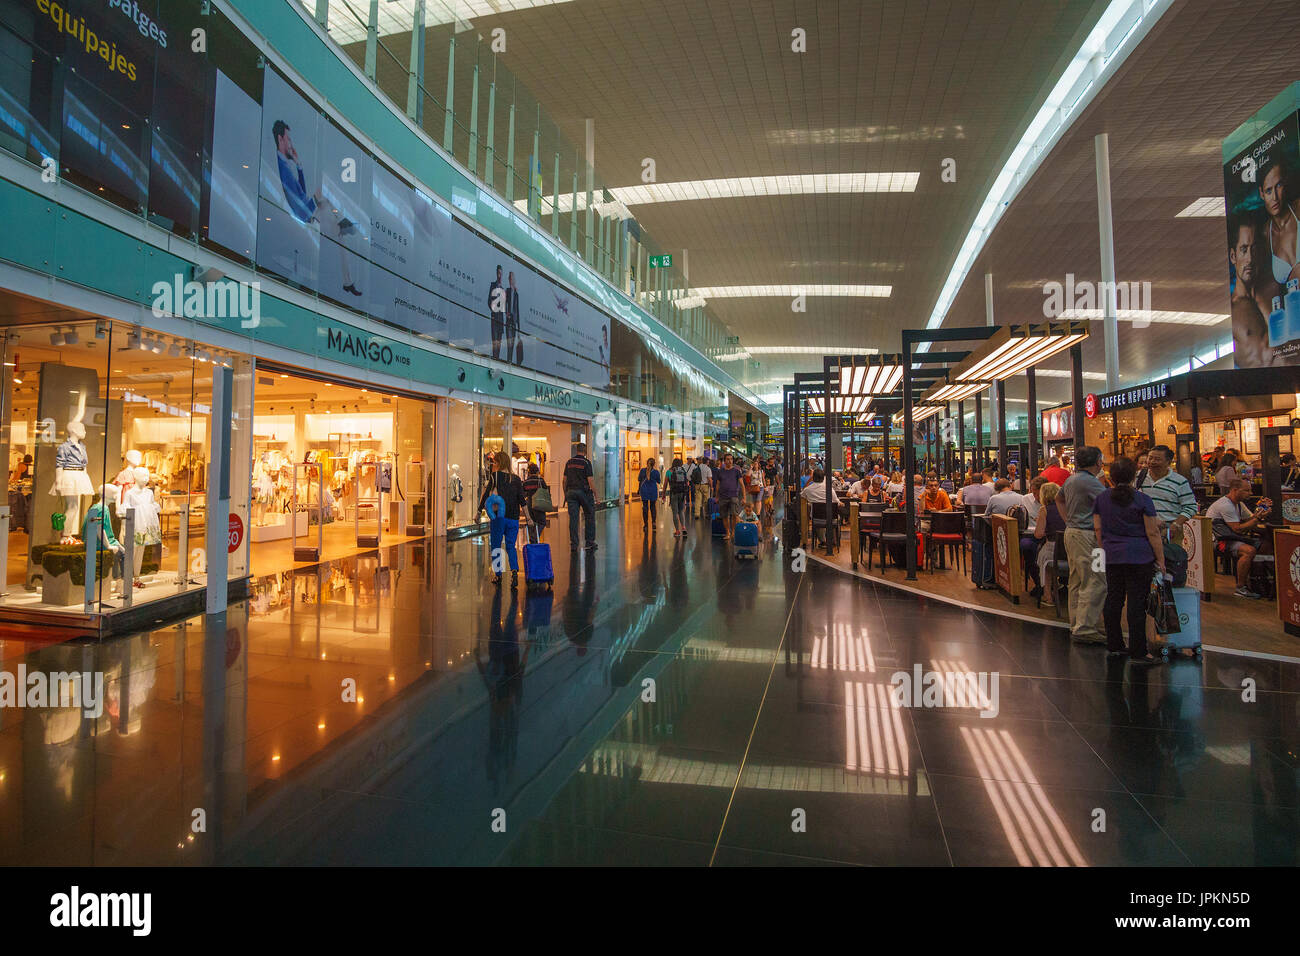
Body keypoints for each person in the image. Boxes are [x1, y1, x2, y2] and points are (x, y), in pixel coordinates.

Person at [271, 118, 361, 297]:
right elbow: (300, 208)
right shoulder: (282, 168)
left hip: (310, 210)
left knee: (328, 205)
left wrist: (300, 166)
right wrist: (315, 198)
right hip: (307, 216)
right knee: (326, 203)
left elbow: (301, 193)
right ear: (280, 139)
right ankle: (347, 281)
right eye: (288, 139)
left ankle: (347, 280)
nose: (291, 144)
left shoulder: (286, 164)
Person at [1092, 456, 1165, 664]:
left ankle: (1114, 644)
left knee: (1113, 599)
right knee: (1136, 602)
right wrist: (1160, 559)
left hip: (1112, 555)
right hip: (1139, 555)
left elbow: (1098, 528)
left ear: (1110, 477)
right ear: (1134, 476)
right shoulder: (1143, 500)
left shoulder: (1102, 499)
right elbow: (1152, 533)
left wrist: (1104, 547)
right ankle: (1139, 651)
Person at [1058, 445, 1108, 645]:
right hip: (1090, 536)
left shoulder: (1071, 479)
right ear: (1098, 461)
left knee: (1077, 580)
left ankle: (1077, 622)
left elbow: (1058, 498)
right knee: (1097, 579)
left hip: (1073, 534)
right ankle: (1086, 627)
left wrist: (1067, 520)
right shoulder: (1091, 483)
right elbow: (1110, 503)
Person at [1207, 478, 1271, 599]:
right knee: (1248, 551)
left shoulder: (1238, 504)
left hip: (1229, 538)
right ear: (1235, 490)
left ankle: (1259, 582)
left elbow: (1251, 520)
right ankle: (1241, 588)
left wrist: (1261, 512)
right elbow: (1238, 529)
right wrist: (1257, 519)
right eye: (1246, 490)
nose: (1250, 493)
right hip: (1216, 542)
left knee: (1265, 546)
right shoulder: (1225, 505)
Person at [478, 451, 524, 588]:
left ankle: (498, 575)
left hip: (499, 518)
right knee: (511, 546)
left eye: (494, 463)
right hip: (513, 519)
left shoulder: (495, 476)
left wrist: (478, 511)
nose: (493, 465)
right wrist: (528, 518)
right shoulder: (516, 479)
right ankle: (514, 571)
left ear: (498, 463)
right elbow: (522, 500)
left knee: (497, 546)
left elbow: (486, 495)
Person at [1138, 444, 1196, 544]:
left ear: (1168, 462)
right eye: (1150, 458)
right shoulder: (1139, 477)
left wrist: (1176, 525)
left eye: (1157, 459)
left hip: (1169, 533)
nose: (1152, 462)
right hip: (1144, 533)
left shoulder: (1180, 482)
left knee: (1169, 558)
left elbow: (1191, 507)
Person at [1027, 481, 1066, 602]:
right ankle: (1059, 587)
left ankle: (1047, 595)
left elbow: (1038, 534)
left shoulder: (1044, 510)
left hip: (1053, 549)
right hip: (1070, 548)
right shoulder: (1068, 507)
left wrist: (1046, 530)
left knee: (1044, 561)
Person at [563, 442, 598, 551]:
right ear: (585, 451)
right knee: (589, 515)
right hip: (584, 493)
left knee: (573, 519)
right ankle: (589, 542)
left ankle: (574, 544)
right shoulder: (586, 463)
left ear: (576, 450)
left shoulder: (569, 462)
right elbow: (590, 481)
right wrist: (596, 495)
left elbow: (564, 480)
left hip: (571, 492)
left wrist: (565, 494)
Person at [712, 453, 745, 539]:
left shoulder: (737, 471)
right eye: (728, 459)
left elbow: (742, 484)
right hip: (723, 497)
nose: (730, 461)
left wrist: (744, 497)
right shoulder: (720, 471)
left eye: (731, 459)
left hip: (734, 496)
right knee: (724, 516)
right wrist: (716, 496)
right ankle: (727, 532)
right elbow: (718, 485)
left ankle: (733, 532)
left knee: (734, 515)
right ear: (724, 461)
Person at [521, 462, 548, 542]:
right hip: (538, 503)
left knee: (531, 523)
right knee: (542, 522)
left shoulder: (526, 482)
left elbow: (523, 494)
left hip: (529, 503)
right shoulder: (540, 480)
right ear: (537, 471)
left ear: (529, 472)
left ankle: (532, 539)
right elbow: (546, 491)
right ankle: (535, 537)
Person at [664, 456, 690, 537]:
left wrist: (664, 494)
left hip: (674, 493)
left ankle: (677, 531)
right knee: (681, 511)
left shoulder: (669, 471)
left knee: (675, 513)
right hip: (682, 493)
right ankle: (684, 528)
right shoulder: (683, 471)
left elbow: (665, 484)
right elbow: (687, 483)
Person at [488, 264, 507, 360]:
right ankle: (494, 358)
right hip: (495, 317)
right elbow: (489, 301)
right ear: (496, 273)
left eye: (501, 273)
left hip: (501, 319)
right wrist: (494, 310)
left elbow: (504, 307)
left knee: (499, 341)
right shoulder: (493, 285)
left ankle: (497, 358)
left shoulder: (503, 290)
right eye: (498, 273)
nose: (499, 275)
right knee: (494, 339)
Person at [638, 456, 661, 532]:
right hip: (653, 491)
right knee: (652, 506)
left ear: (646, 463)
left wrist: (639, 490)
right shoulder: (656, 472)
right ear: (654, 464)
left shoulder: (642, 471)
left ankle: (645, 525)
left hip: (644, 490)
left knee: (645, 507)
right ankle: (653, 522)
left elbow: (640, 480)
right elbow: (658, 481)